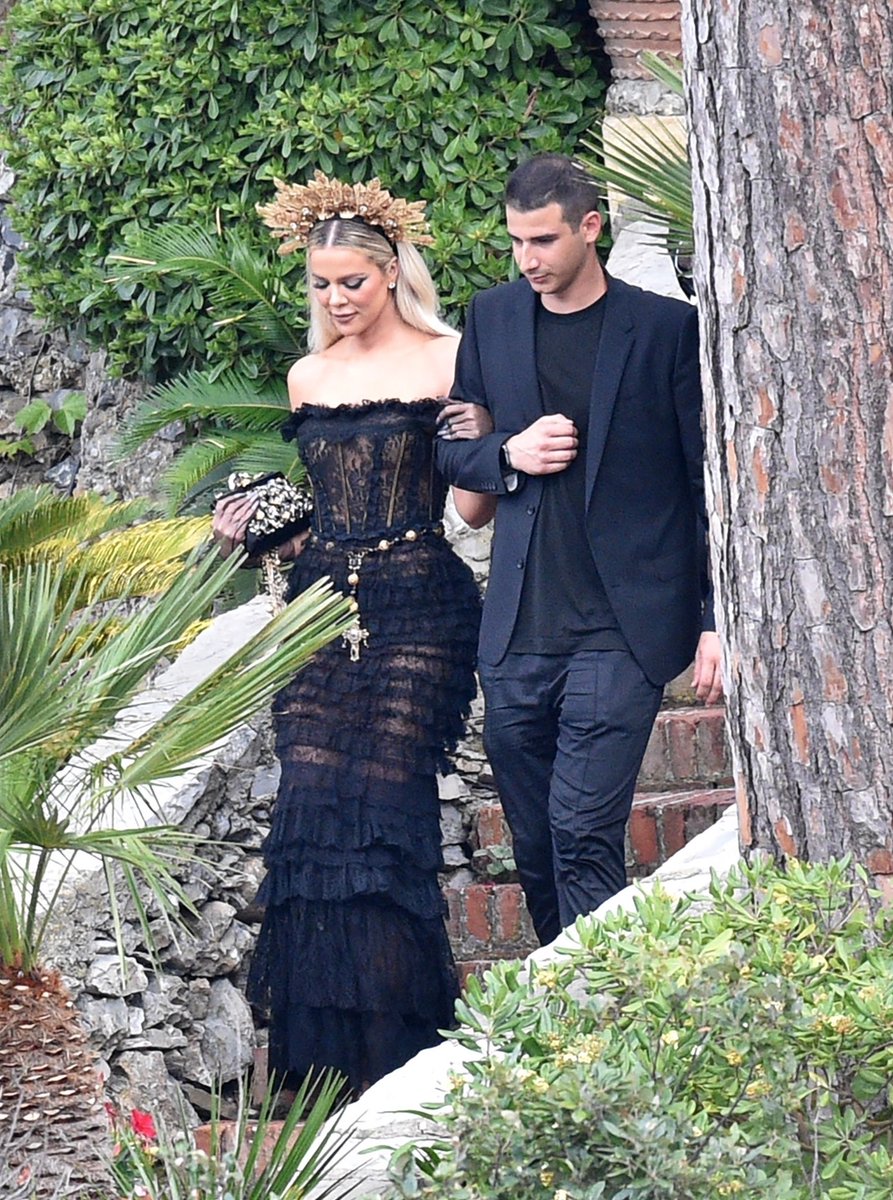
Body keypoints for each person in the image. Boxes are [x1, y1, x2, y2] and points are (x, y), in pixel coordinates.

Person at [212, 172, 493, 1094]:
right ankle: (324, 1072)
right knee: (312, 805)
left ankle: (401, 1060)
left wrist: (486, 436)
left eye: (352, 283)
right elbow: (324, 507)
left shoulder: (451, 357)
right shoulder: (309, 374)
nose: (335, 300)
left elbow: (472, 504)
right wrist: (260, 521)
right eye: (321, 284)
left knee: (383, 812)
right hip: (320, 603)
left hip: (421, 605)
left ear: (391, 272)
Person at [436, 153, 722, 947]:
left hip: (623, 628)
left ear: (589, 227)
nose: (526, 258)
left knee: (580, 829)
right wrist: (508, 453)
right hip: (517, 631)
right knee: (534, 845)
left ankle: (595, 997)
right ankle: (571, 992)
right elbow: (450, 445)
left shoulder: (665, 330)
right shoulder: (491, 318)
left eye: (542, 240)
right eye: (515, 241)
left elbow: (704, 482)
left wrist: (713, 619)